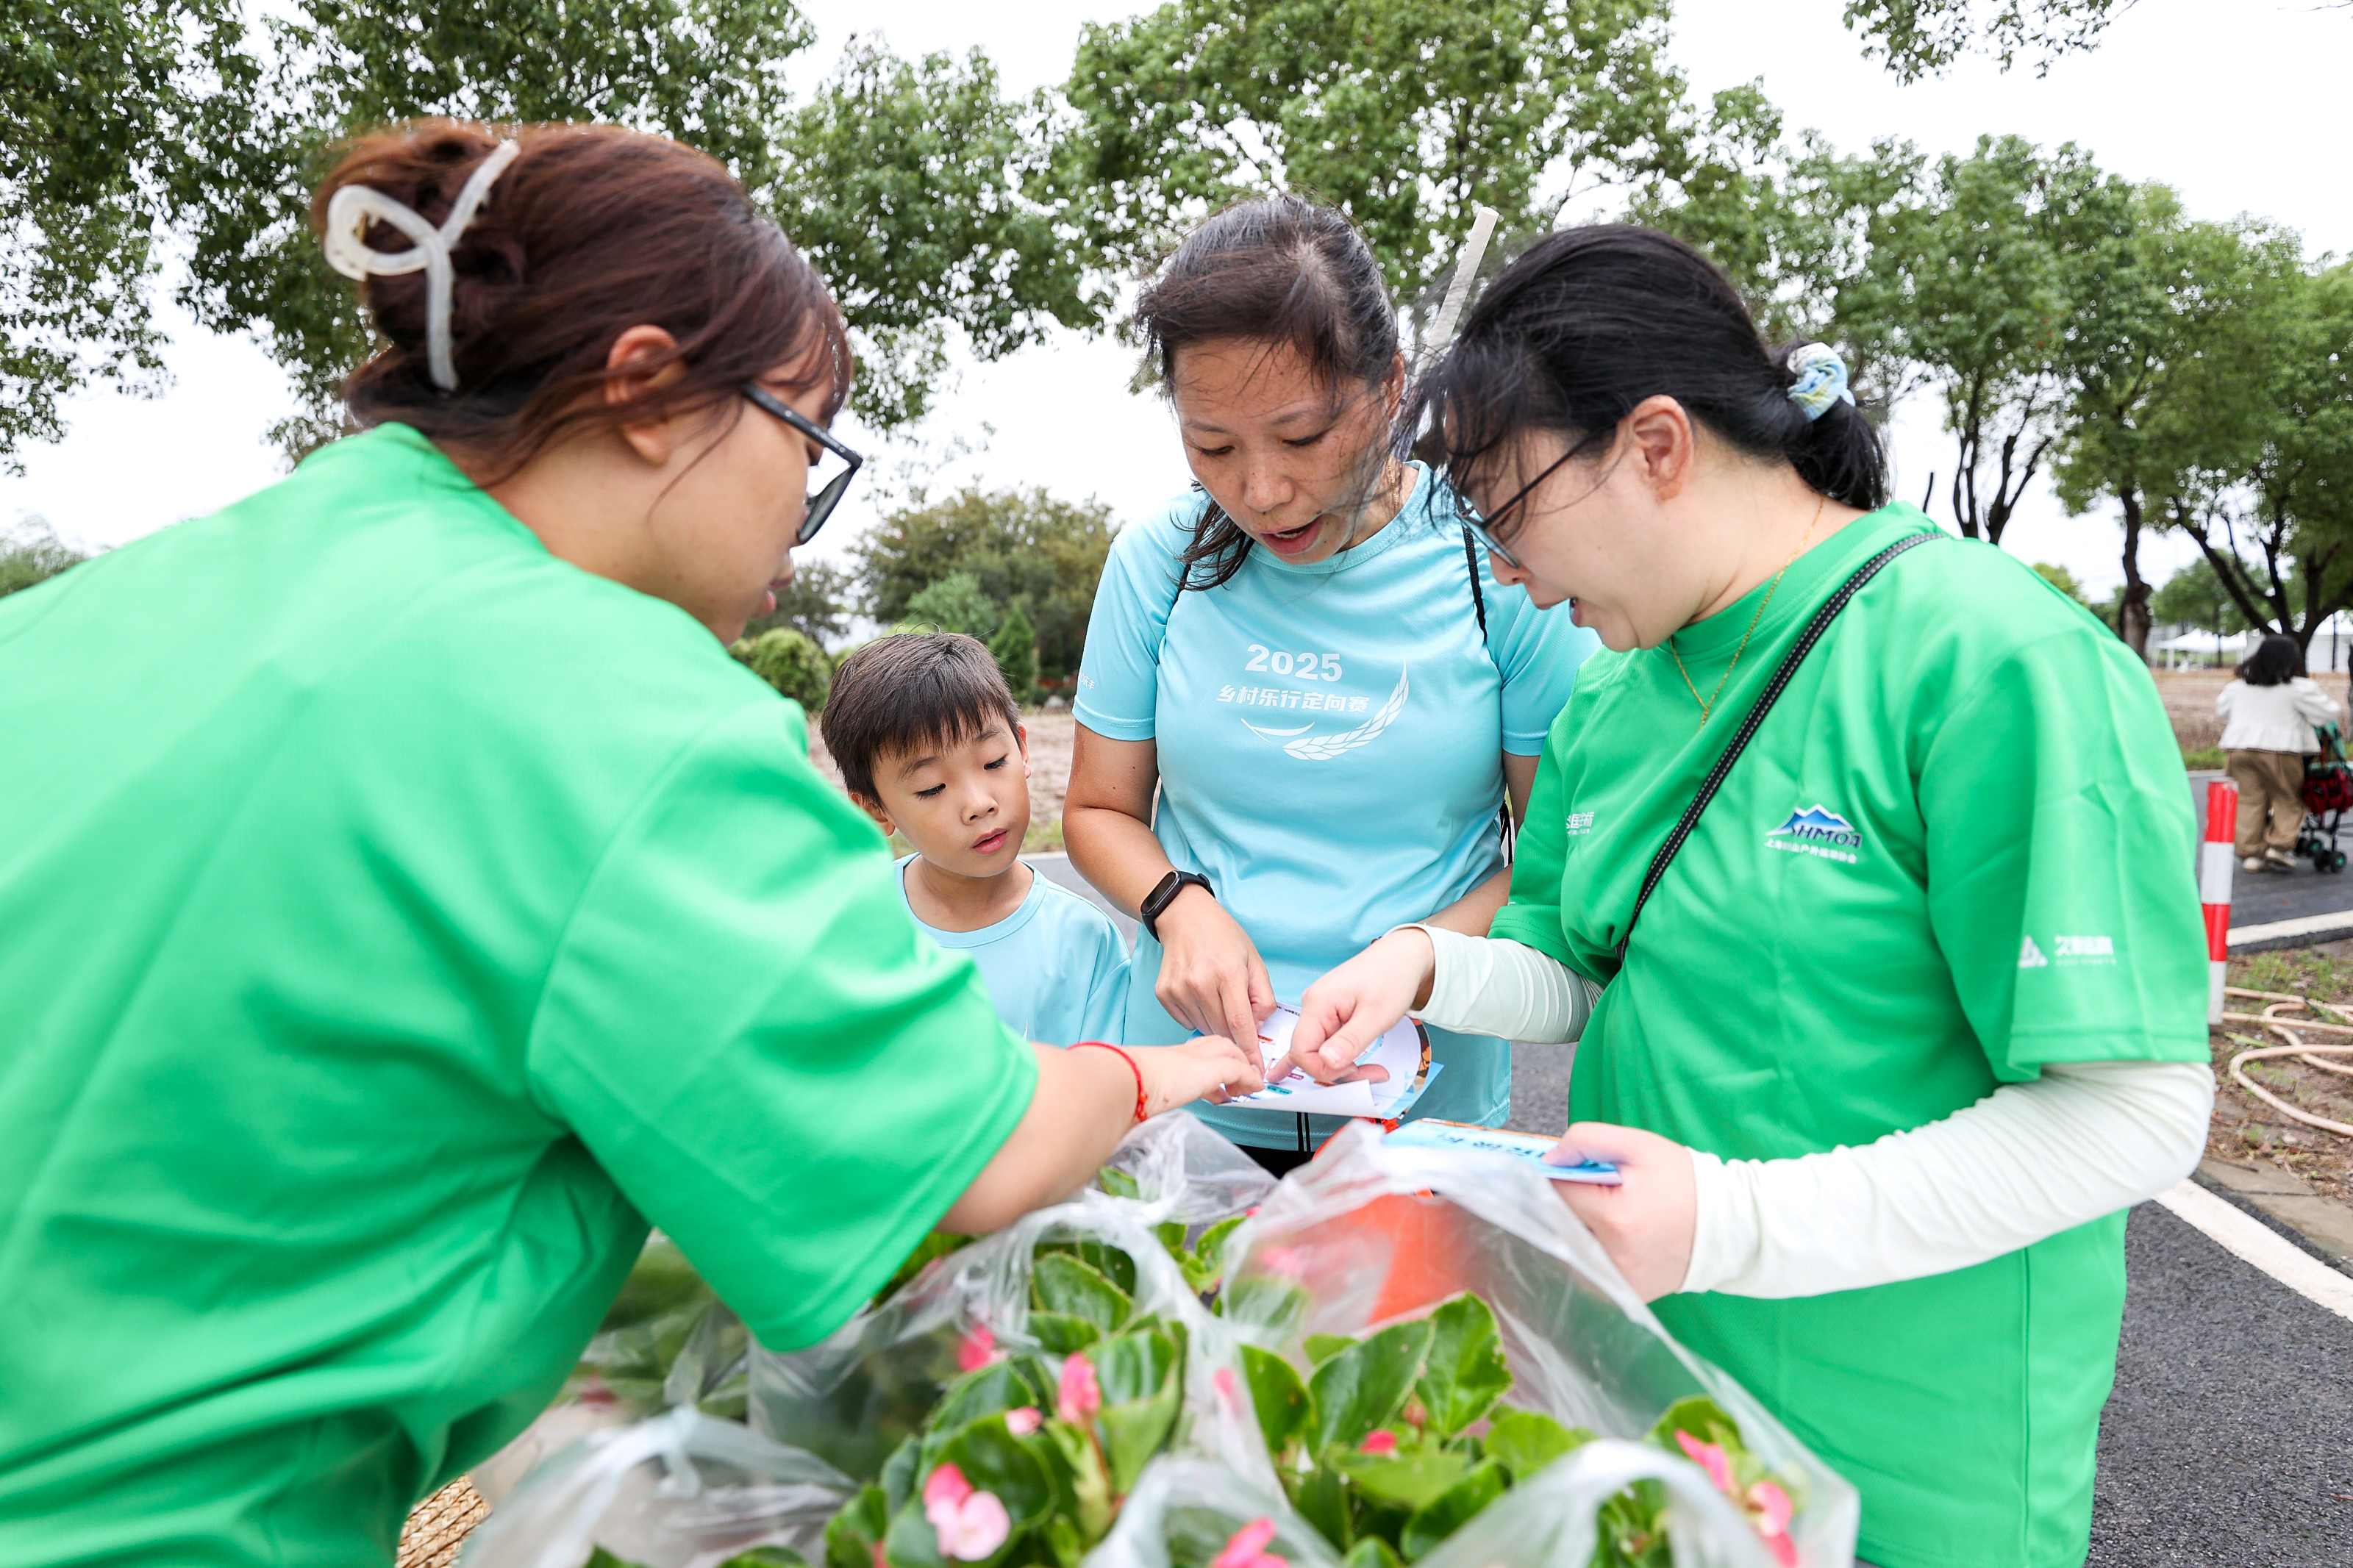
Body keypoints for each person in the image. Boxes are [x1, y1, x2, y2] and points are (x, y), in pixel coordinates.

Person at [0, 120, 1255, 1568]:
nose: (798, 523)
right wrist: (1155, 1071)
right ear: (652, 392)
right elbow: (982, 1155)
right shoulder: (619, 712)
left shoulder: (101, 611)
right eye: (807, 445)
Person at [1285, 226, 2212, 1567]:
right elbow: (1587, 965)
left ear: (1656, 445)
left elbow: (2132, 1113)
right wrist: (1425, 965)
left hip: (1907, 1467)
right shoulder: (1614, 690)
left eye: (1502, 512)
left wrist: (1731, 1223)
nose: (1508, 573)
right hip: (1652, 1406)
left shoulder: (1992, 661)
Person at [1062, 196, 1599, 1175]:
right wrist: (1178, 904)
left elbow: (1550, 859)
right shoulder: (1158, 562)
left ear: (1391, 386)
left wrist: (1413, 959)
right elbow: (1099, 810)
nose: (1261, 491)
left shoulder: (1498, 568)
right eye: (1212, 446)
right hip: (1191, 1097)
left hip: (1421, 1109)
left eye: (1302, 437)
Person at [822, 631, 1129, 1043]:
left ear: (1022, 749)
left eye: (993, 762)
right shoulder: (852, 927)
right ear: (875, 810)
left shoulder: (1083, 938)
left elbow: (1109, 1075)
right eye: (932, 788)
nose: (979, 804)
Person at [2218, 631, 2340, 872]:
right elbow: (2327, 714)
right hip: (2281, 751)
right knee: (2288, 798)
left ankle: (2251, 854)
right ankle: (2279, 847)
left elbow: (2222, 712)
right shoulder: (2298, 688)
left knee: (2248, 801)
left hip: (2238, 749)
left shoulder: (2237, 687)